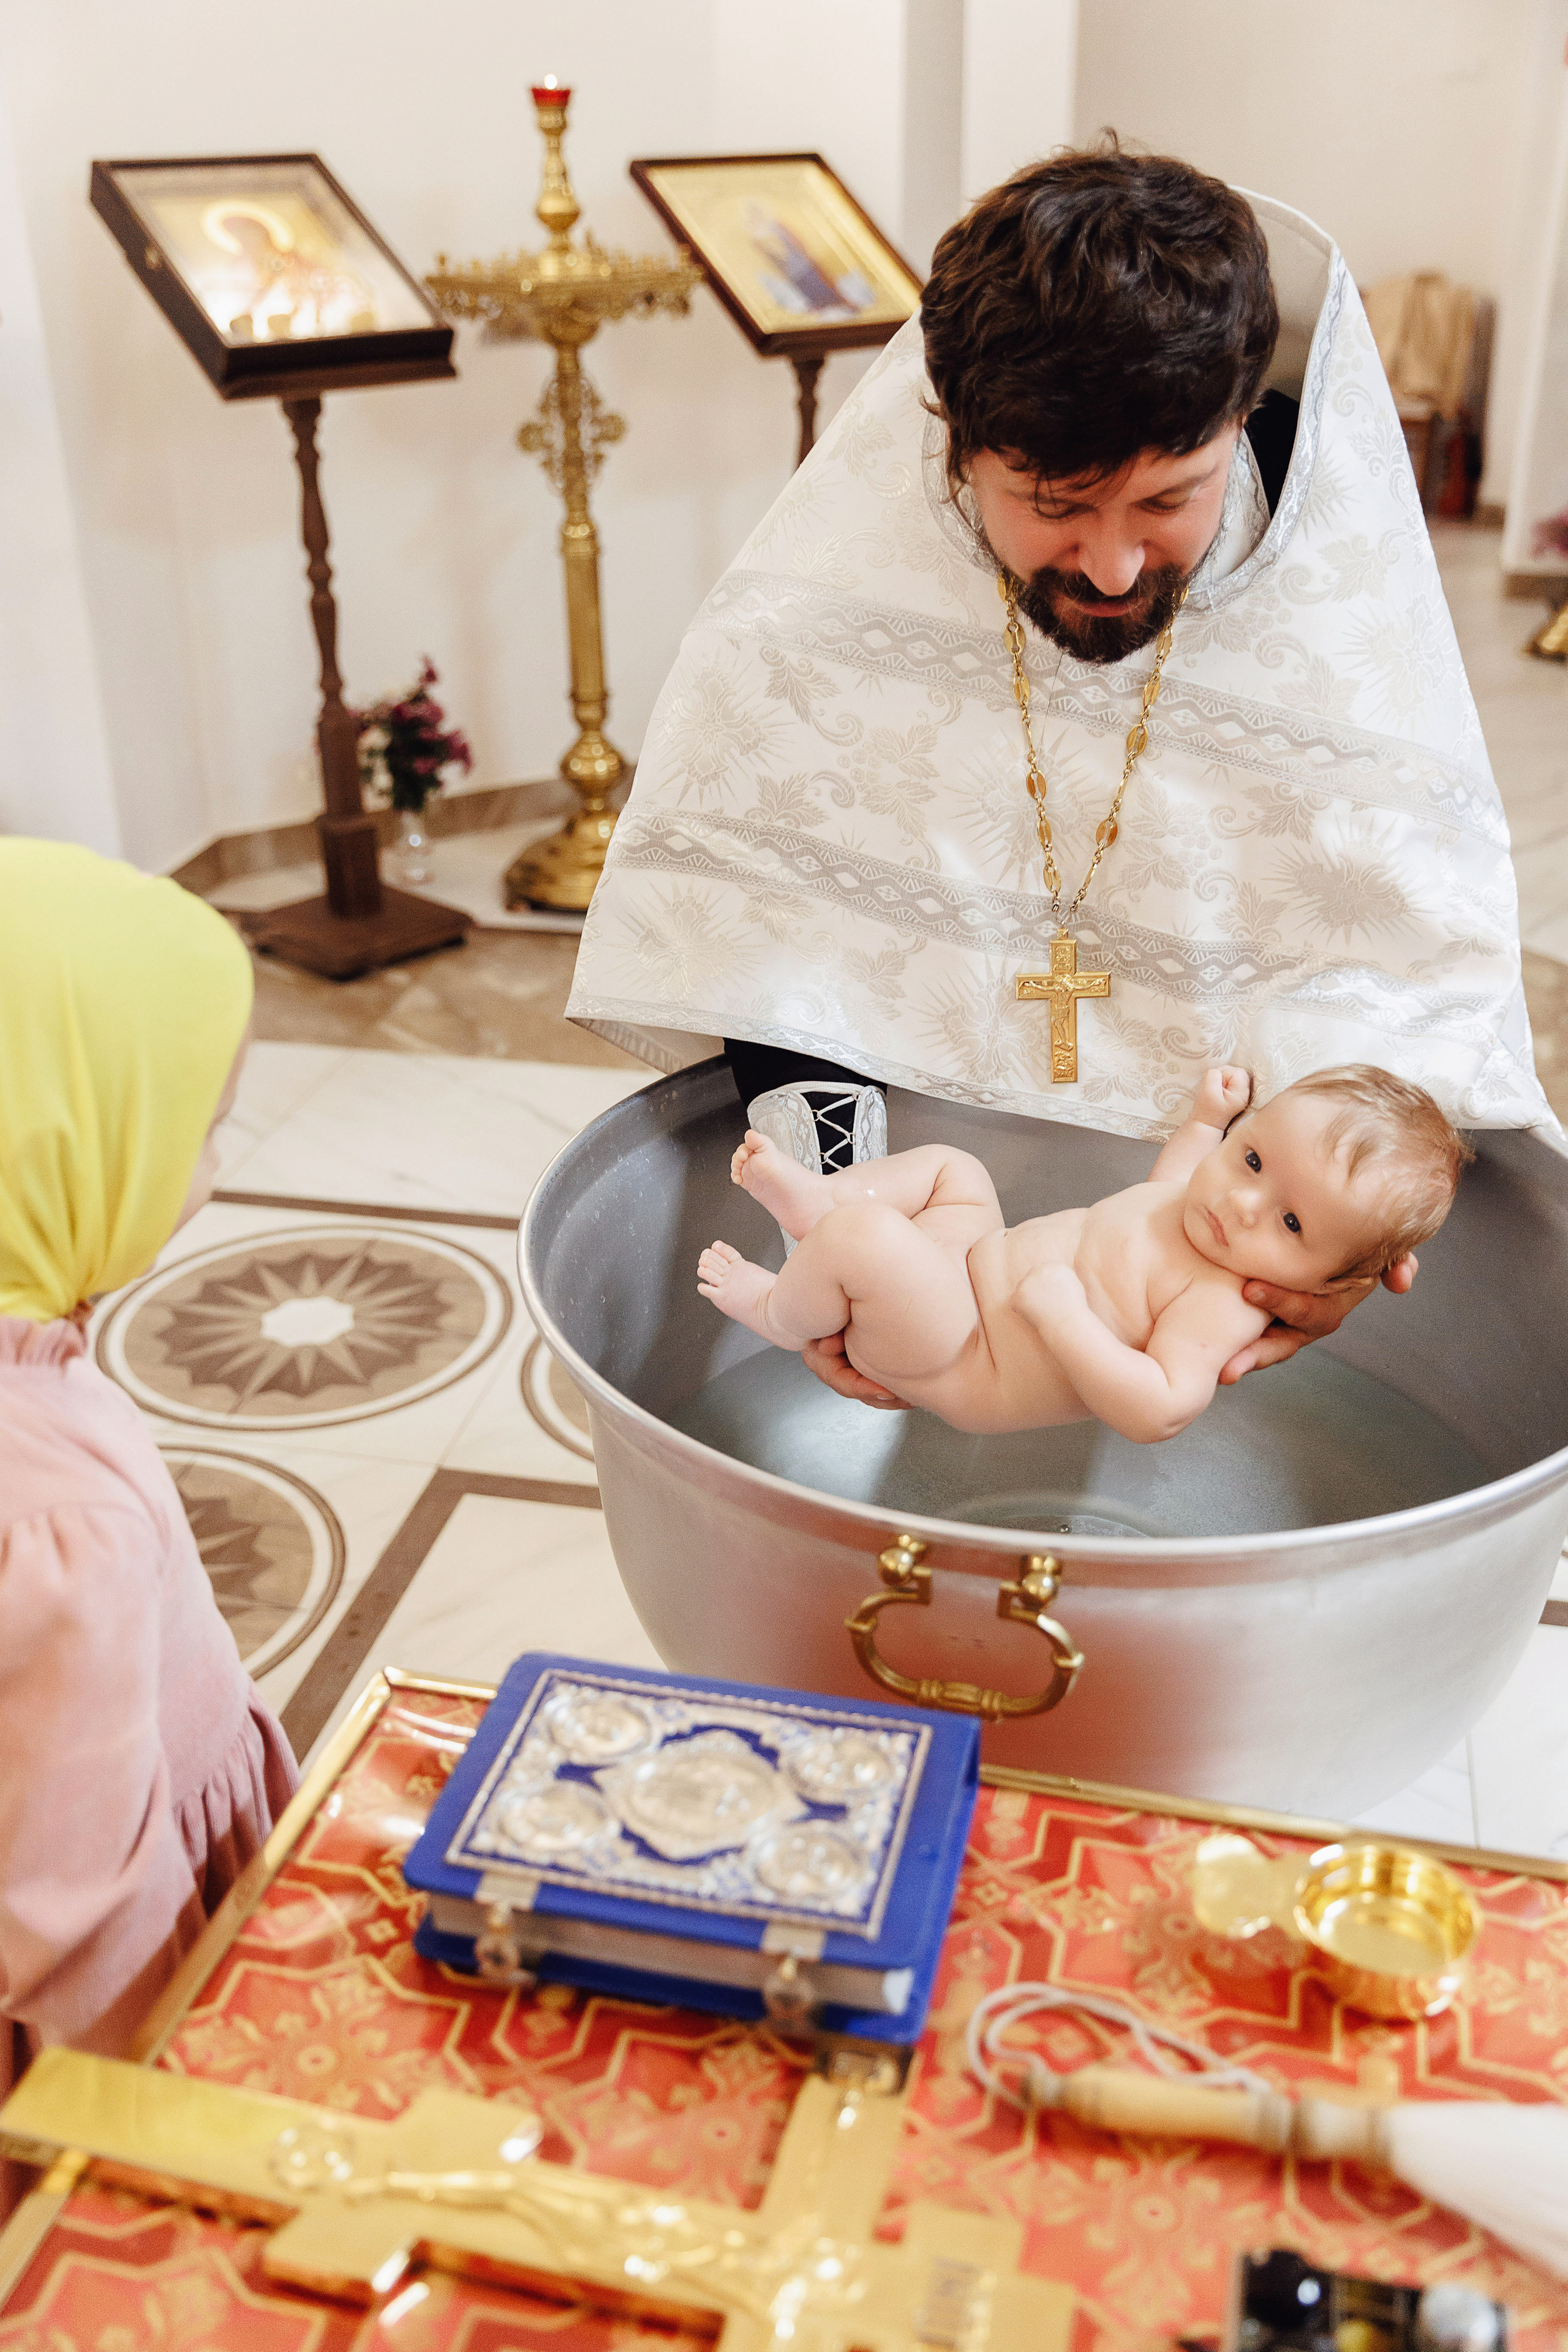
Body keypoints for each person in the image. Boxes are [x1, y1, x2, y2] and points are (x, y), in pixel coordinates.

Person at [568, 143, 1549, 1406]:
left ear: (1235, 425)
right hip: (932, 1244)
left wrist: (1350, 1235)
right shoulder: (819, 609)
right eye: (1055, 505)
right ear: (955, 442)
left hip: (1211, 1251)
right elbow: (775, 937)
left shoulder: (1327, 603)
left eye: (1169, 501)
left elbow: (1391, 948)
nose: (1112, 567)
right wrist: (838, 1228)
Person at [0, 840, 298, 2204]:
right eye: (199, 1124)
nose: (215, 1161)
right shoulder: (57, 1513)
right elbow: (82, 1920)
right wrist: (153, 2156)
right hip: (101, 2036)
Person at [698, 1065, 1469, 1444]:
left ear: (1338, 1281)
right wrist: (1207, 1119)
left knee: (869, 1239)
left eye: (1292, 1223)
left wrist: (1067, 1323)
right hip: (966, 1269)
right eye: (1253, 1159)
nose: (1242, 1203)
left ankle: (775, 1309)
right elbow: (1174, 1175)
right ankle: (822, 1204)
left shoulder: (1224, 1303)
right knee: (952, 1170)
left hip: (963, 1355)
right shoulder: (1199, 1206)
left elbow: (1161, 1408)